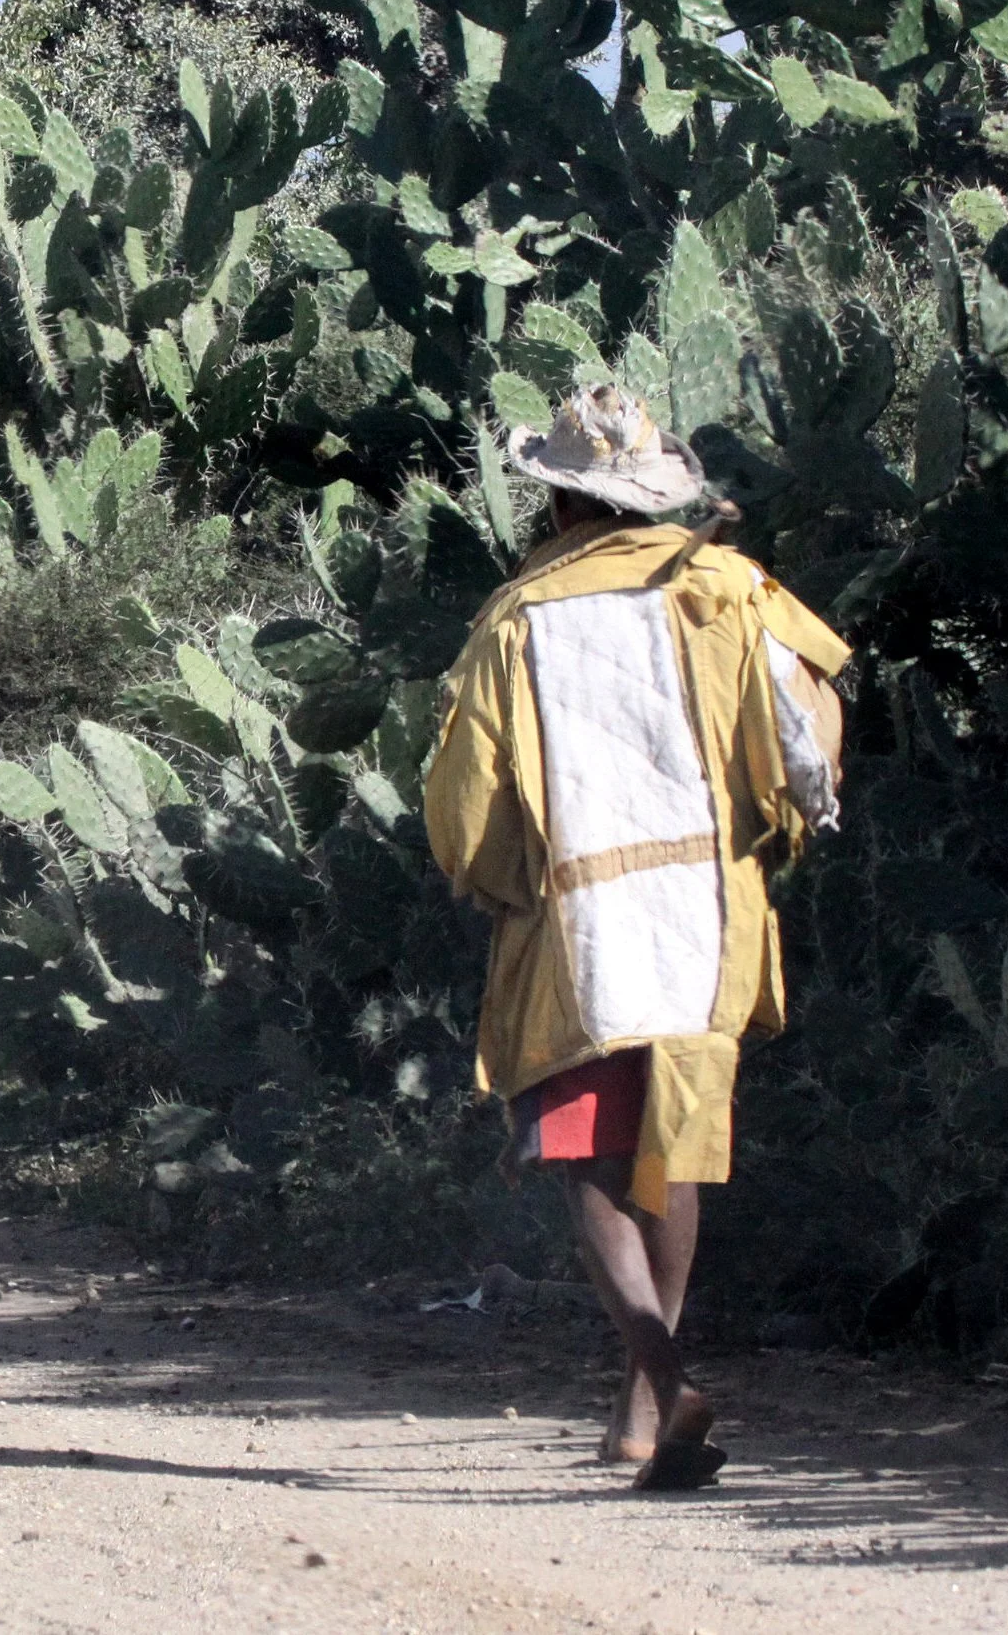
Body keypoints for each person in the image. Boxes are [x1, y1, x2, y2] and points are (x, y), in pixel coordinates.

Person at [423, 386, 848, 1491]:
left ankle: (656, 1368)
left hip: (577, 923)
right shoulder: (724, 586)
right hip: (706, 918)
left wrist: (498, 887)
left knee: (587, 1160)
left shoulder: (513, 620)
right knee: (676, 1154)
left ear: (559, 505)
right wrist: (771, 838)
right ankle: (639, 1408)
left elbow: (466, 806)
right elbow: (810, 738)